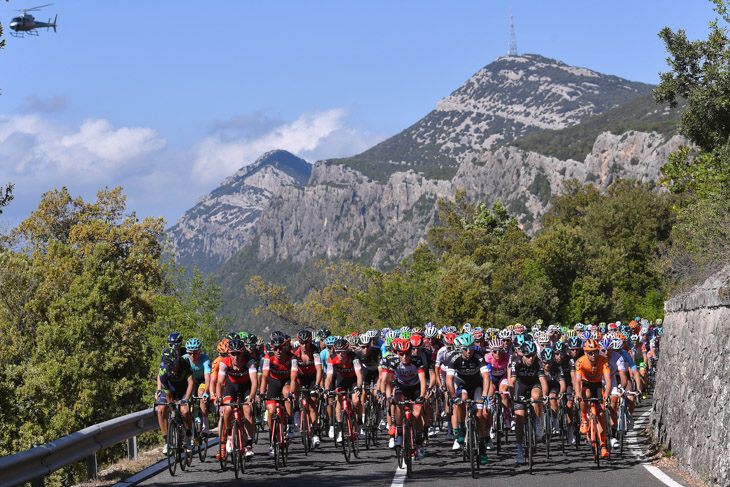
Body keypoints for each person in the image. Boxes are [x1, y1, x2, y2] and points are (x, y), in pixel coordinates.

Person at [446, 334, 492, 465]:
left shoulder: (478, 356)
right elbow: (449, 380)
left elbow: (486, 377)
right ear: (460, 348)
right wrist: (453, 396)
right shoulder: (453, 357)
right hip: (461, 384)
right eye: (465, 348)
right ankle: (461, 428)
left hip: (476, 385)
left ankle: (482, 446)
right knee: (462, 400)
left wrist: (484, 396)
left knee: (479, 415)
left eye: (471, 347)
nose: (469, 351)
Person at [385, 338, 428, 460]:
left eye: (407, 354)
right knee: (397, 402)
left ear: (411, 352)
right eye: (401, 354)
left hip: (415, 388)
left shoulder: (417, 360)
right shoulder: (393, 362)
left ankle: (419, 442)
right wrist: (389, 397)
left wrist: (422, 397)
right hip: (401, 387)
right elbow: (388, 382)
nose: (404, 356)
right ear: (397, 353)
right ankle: (399, 432)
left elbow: (423, 381)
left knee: (417, 414)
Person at [217, 338, 258, 458]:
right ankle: (230, 436)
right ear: (228, 353)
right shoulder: (224, 362)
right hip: (231, 386)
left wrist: (251, 397)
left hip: (246, 387)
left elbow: (254, 382)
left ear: (242, 352)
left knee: (247, 410)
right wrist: (219, 397)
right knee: (227, 409)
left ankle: (249, 444)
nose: (235, 357)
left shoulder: (249, 361)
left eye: (238, 353)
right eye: (232, 353)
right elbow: (219, 383)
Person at [509, 341, 548, 465]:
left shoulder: (538, 362)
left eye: (532, 355)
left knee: (537, 396)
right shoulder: (517, 362)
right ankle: (519, 450)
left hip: (534, 384)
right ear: (523, 355)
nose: (530, 358)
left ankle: (538, 422)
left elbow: (543, 381)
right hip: (521, 386)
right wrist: (512, 396)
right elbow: (512, 381)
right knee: (520, 417)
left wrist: (545, 395)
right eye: (527, 356)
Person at [260, 334, 298, 458]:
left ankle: (290, 421)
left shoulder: (292, 358)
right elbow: (264, 377)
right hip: (274, 383)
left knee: (287, 393)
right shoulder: (268, 357)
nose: (278, 351)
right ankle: (272, 439)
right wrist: (261, 393)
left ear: (285, 348)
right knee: (271, 412)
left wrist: (292, 393)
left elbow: (293, 378)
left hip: (287, 382)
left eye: (280, 348)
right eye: (275, 349)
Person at [575, 338, 612, 458]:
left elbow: (607, 379)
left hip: (597, 385)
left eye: (596, 352)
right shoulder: (580, 362)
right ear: (585, 353)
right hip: (585, 384)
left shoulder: (603, 360)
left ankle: (603, 444)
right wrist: (578, 394)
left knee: (601, 414)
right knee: (586, 395)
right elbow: (578, 380)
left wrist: (606, 393)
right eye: (590, 353)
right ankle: (584, 418)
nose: (593, 355)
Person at [324, 337, 363, 444]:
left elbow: (359, 375)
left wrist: (359, 387)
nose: (341, 354)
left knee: (355, 401)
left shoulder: (354, 357)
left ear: (347, 351)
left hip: (353, 379)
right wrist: (327, 389)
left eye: (343, 352)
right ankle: (340, 429)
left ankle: (360, 423)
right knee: (340, 401)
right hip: (341, 380)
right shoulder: (332, 358)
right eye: (338, 352)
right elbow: (329, 377)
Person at [156, 348, 194, 454]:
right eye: (173, 364)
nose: (176, 365)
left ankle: (188, 436)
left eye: (176, 362)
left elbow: (191, 382)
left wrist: (186, 399)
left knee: (185, 411)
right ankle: (167, 442)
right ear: (167, 364)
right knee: (161, 409)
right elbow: (167, 393)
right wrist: (172, 407)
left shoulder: (184, 362)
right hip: (170, 390)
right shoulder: (163, 371)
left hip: (184, 390)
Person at [293, 329, 323, 448]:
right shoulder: (295, 353)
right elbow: (293, 374)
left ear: (310, 342)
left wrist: (317, 385)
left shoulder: (315, 351)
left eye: (307, 343)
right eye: (302, 343)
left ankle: (315, 431)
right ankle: (296, 410)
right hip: (300, 377)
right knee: (294, 387)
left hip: (312, 378)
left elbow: (319, 370)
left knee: (313, 403)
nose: (304, 345)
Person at [183, 338, 212, 436]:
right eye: (190, 353)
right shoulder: (184, 359)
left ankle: (206, 426)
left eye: (195, 353)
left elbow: (208, 379)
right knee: (190, 396)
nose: (192, 356)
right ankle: (193, 419)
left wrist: (206, 393)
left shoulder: (205, 358)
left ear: (199, 352)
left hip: (203, 380)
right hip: (192, 381)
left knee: (200, 393)